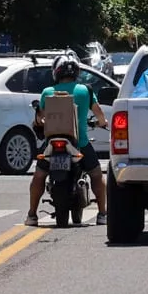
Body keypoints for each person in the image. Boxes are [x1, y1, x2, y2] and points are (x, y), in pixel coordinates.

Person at [26, 56, 108, 227]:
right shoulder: (85, 91)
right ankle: (102, 213)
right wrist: (102, 122)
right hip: (80, 143)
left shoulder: (47, 92)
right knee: (96, 175)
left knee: (39, 176)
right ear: (76, 72)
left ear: (56, 72)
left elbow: (40, 118)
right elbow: (100, 115)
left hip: (51, 142)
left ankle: (32, 215)